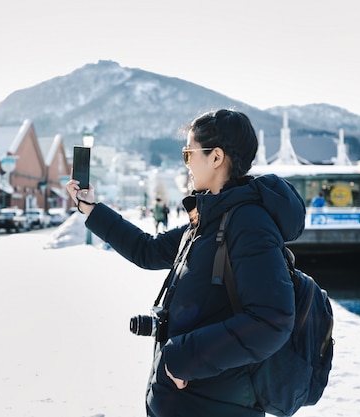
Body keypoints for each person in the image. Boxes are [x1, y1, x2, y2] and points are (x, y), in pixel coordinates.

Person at [66, 109, 305, 417]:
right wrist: (92, 209)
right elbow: (147, 250)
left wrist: (183, 357)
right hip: (189, 402)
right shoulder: (211, 218)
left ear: (216, 157)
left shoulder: (248, 223)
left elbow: (272, 319)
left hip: (216, 405)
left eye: (188, 154)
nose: (187, 163)